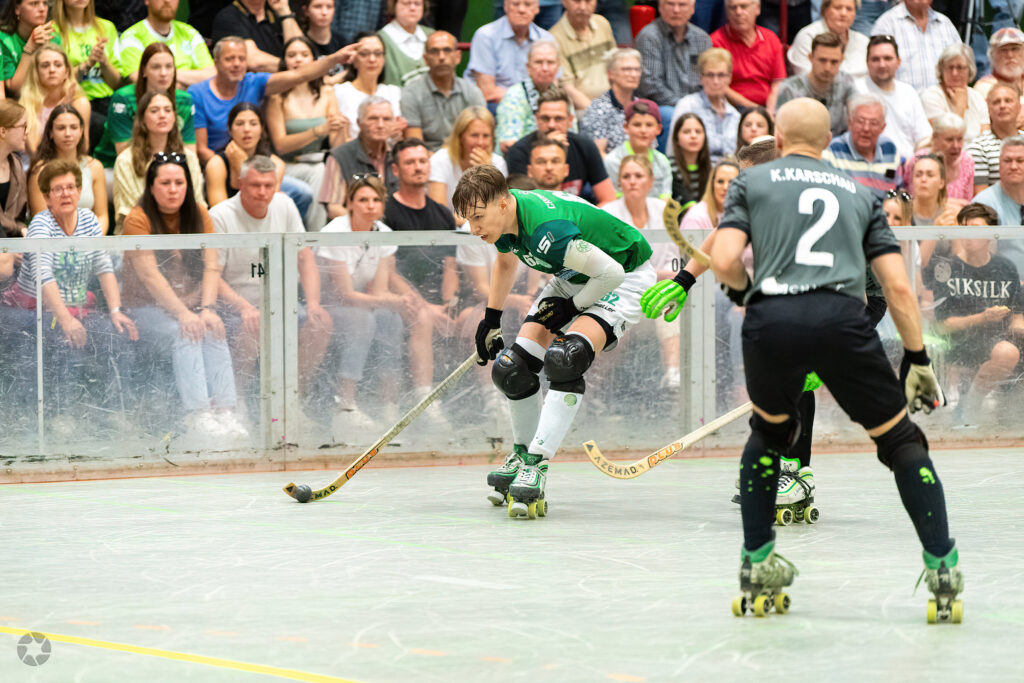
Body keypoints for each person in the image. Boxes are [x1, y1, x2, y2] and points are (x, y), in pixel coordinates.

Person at [705, 97, 959, 620]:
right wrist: (917, 358)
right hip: (843, 319)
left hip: (772, 320)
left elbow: (725, 259)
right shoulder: (862, 194)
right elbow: (898, 289)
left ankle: (757, 562)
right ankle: (942, 567)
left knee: (768, 434)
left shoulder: (752, 183)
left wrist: (747, 296)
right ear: (827, 142)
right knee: (900, 440)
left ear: (778, 139)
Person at [456, 163, 656, 518]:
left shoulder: (546, 230)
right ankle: (521, 454)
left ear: (503, 203)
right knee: (512, 369)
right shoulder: (504, 219)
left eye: (478, 218)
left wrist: (571, 308)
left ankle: (538, 463)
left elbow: (611, 273)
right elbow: (506, 264)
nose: (474, 229)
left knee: (566, 358)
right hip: (574, 275)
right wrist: (491, 320)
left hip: (623, 277)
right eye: (468, 220)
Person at [121, 153, 248, 439]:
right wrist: (183, 314)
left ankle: (226, 411)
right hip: (146, 308)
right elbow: (150, 276)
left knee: (214, 328)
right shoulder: (137, 219)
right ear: (151, 187)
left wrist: (208, 308)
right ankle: (198, 414)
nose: (173, 189)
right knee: (186, 332)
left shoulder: (200, 213)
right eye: (165, 183)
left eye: (179, 183)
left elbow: (212, 265)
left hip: (191, 303)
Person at [2, 159, 136, 427]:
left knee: (115, 335)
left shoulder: (88, 219)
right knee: (61, 338)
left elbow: (103, 266)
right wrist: (66, 320)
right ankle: (61, 414)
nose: (66, 194)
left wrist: (116, 311)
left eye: (71, 187)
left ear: (79, 191)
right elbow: (44, 276)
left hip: (77, 305)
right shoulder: (40, 225)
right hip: (34, 307)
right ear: (46, 197)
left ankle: (113, 411)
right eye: (58, 189)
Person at [319, 174, 449, 434]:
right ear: (350, 203)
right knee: (364, 319)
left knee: (390, 318)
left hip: (361, 302)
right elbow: (345, 294)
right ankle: (345, 406)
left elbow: (380, 289)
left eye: (376, 200)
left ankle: (388, 405)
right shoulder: (335, 232)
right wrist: (394, 302)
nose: (370, 205)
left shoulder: (383, 233)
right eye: (363, 200)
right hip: (329, 305)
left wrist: (403, 302)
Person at [210, 155, 332, 414]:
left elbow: (304, 257)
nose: (263, 192)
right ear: (240, 183)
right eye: (256, 185)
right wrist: (244, 307)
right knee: (252, 324)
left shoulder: (285, 205)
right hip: (233, 307)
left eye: (269, 185)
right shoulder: (220, 215)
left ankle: (293, 399)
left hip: (281, 304)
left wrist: (313, 303)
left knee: (320, 324)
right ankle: (236, 401)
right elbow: (212, 276)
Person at [924, 203, 1023, 424]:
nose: (968, 235)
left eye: (976, 228)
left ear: (991, 234)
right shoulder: (947, 268)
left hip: (999, 337)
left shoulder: (1005, 267)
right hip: (961, 341)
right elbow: (942, 325)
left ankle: (1003, 413)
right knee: (1006, 353)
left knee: (1008, 350)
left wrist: (1018, 331)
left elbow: (1018, 312)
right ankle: (970, 406)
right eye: (964, 228)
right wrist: (982, 317)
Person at [189, 36, 356, 165]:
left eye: (241, 59)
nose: (237, 64)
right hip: (216, 164)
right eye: (229, 59)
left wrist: (334, 59)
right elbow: (202, 150)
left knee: (297, 189)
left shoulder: (254, 82)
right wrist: (229, 166)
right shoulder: (198, 93)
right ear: (216, 62)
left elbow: (299, 75)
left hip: (254, 164)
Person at [602, 154, 684, 388]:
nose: (632, 181)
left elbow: (673, 262)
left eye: (638, 176)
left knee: (670, 302)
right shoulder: (607, 213)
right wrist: (658, 274)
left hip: (656, 294)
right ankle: (599, 388)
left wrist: (659, 277)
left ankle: (673, 376)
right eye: (626, 176)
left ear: (650, 181)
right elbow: (612, 266)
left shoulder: (665, 211)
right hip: (619, 294)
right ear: (619, 182)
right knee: (614, 317)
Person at [265, 36, 347, 231]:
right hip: (286, 165)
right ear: (284, 61)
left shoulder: (327, 92)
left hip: (317, 162)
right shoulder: (276, 97)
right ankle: (312, 237)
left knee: (324, 170)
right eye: (292, 55)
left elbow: (337, 146)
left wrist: (341, 128)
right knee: (320, 172)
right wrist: (317, 131)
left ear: (314, 61)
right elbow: (280, 145)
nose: (298, 60)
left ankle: (314, 236)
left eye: (304, 55)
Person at [384, 137, 459, 323]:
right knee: (423, 319)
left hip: (439, 301)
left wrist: (448, 306)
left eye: (422, 161)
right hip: (401, 302)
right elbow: (388, 272)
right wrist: (425, 308)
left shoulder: (443, 214)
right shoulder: (385, 212)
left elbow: (450, 266)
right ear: (395, 170)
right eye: (410, 162)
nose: (418, 167)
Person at [93, 42, 196, 169]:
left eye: (169, 66)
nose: (163, 73)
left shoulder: (185, 100)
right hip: (115, 165)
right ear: (143, 71)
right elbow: (125, 155)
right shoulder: (124, 98)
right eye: (156, 67)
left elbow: (189, 151)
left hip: (167, 166)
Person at [113, 91, 204, 231]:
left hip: (182, 231)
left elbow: (197, 203)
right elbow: (131, 212)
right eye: (154, 111)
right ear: (142, 118)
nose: (162, 115)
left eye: (167, 110)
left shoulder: (189, 157)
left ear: (174, 117)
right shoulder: (126, 160)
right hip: (139, 232)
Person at [504, 88, 615, 203]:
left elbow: (608, 198)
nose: (551, 125)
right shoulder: (518, 152)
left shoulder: (585, 146)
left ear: (570, 120)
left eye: (558, 118)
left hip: (577, 211)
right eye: (545, 118)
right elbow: (524, 204)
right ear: (537, 119)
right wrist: (549, 147)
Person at [400, 31, 486, 153]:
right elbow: (415, 147)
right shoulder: (411, 93)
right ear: (426, 59)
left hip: (465, 156)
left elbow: (480, 138)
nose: (441, 57)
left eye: (447, 50)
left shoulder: (472, 92)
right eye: (434, 51)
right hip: (427, 159)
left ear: (458, 56)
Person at [27, 104, 108, 233]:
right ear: (51, 132)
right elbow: (40, 218)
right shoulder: (40, 170)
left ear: (81, 131)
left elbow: (102, 215)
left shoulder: (95, 167)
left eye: (74, 127)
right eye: (61, 128)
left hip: (89, 238)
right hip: (53, 240)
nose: (68, 134)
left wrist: (91, 240)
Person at [853, 34, 932, 162]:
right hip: (868, 164)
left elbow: (924, 139)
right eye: (875, 59)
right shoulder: (856, 90)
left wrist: (916, 163)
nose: (882, 64)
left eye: (887, 58)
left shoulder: (908, 92)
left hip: (908, 166)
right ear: (867, 63)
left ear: (898, 62)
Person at [52, 0, 120, 147]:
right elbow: (54, 81)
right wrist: (87, 64)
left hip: (107, 100)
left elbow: (117, 83)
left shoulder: (107, 27)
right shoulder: (53, 31)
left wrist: (104, 62)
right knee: (99, 124)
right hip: (73, 100)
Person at [320, 96, 400, 219]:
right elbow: (333, 208)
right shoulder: (340, 156)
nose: (380, 125)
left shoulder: (399, 154)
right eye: (373, 118)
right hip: (354, 228)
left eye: (386, 119)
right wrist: (369, 224)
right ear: (359, 123)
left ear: (394, 123)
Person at [465, 0, 555, 105]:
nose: (521, 10)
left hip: (534, 104)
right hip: (494, 105)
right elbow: (487, 92)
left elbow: (553, 85)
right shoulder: (486, 36)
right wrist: (530, 99)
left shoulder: (546, 39)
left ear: (537, 8)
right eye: (515, 4)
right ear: (506, 7)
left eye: (528, 4)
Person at [428, 105, 508, 224]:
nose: (480, 142)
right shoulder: (440, 160)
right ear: (460, 137)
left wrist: (487, 174)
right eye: (474, 135)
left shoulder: (498, 163)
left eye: (486, 136)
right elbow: (440, 214)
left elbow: (499, 211)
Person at [635, 0, 711, 123]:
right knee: (671, 116)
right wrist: (685, 107)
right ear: (660, 7)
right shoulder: (649, 37)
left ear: (692, 8)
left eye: (682, 5)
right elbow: (651, 87)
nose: (676, 10)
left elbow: (703, 82)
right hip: (659, 108)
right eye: (670, 4)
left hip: (695, 107)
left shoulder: (701, 39)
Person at [113, 0, 216, 86]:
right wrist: (187, 82)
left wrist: (163, 75)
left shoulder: (189, 32)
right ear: (147, 1)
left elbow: (211, 75)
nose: (167, 1)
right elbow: (137, 78)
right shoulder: (132, 36)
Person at [496, 40, 573, 154]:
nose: (545, 68)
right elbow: (508, 145)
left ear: (558, 67)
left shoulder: (563, 97)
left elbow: (573, 137)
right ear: (528, 67)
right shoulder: (514, 96)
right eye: (539, 62)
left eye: (550, 62)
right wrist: (547, 143)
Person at [205, 102, 286, 206]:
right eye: (239, 124)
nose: (247, 129)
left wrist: (242, 167)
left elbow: (268, 207)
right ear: (230, 129)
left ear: (262, 128)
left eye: (253, 124)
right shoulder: (216, 164)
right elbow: (218, 210)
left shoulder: (276, 164)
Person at [775, 32, 855, 137]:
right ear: (810, 57)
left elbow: (857, 113)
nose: (827, 68)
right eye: (822, 60)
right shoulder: (790, 89)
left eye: (834, 62)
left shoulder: (846, 82)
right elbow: (780, 131)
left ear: (842, 60)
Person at [822, 93, 902, 198]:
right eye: (860, 121)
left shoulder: (890, 150)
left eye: (873, 123)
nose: (866, 128)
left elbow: (897, 191)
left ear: (882, 127)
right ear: (850, 123)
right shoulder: (833, 151)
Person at [870, 0, 960, 92]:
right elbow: (876, 73)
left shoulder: (945, 24)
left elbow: (961, 67)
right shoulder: (886, 25)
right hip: (901, 99)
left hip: (942, 99)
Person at [711, 0, 786, 111]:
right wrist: (756, 111)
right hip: (732, 108)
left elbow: (778, 82)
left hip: (770, 107)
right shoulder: (716, 42)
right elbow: (719, 85)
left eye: (744, 6)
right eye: (733, 8)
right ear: (726, 12)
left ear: (758, 8)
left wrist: (769, 112)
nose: (738, 12)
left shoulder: (771, 39)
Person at [670, 47, 740, 164]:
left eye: (721, 75)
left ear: (729, 78)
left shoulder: (735, 115)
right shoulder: (687, 105)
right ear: (701, 78)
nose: (716, 81)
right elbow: (673, 150)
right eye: (710, 75)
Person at [332, 32, 405, 141]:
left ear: (384, 59)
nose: (372, 59)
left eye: (378, 53)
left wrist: (398, 134)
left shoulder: (394, 92)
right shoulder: (339, 92)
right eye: (364, 54)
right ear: (353, 59)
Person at [20, 44, 91, 155]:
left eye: (58, 65)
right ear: (36, 72)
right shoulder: (27, 104)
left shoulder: (79, 103)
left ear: (67, 72)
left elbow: (83, 149)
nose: (52, 70)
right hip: (36, 162)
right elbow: (35, 151)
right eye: (45, 66)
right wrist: (59, 110)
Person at [548, 0, 615, 107]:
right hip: (582, 108)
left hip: (613, 101)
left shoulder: (602, 23)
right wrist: (596, 112)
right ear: (564, 2)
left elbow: (616, 65)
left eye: (588, 1)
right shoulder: (554, 38)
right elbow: (567, 88)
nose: (583, 7)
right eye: (577, 1)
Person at [920, 43, 987, 146]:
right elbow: (947, 137)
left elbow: (986, 137)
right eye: (950, 67)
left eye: (960, 67)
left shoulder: (976, 96)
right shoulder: (931, 96)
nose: (955, 73)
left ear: (969, 70)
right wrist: (959, 108)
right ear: (941, 70)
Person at [975, 137, 1024, 277]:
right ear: (999, 165)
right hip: (1002, 283)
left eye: (1020, 161)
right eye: (1007, 161)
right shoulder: (984, 203)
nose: (1013, 166)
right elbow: (981, 258)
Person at [578, 47, 640, 156]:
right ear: (611, 74)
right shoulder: (598, 109)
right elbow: (597, 154)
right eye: (627, 69)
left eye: (637, 69)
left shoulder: (641, 106)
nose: (633, 74)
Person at [604, 99, 671, 199]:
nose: (643, 130)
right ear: (626, 127)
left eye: (649, 125)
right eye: (637, 125)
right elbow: (612, 200)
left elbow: (665, 199)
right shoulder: (612, 161)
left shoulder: (662, 161)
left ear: (658, 129)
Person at [211, 0, 302, 72]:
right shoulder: (228, 17)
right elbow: (253, 61)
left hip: (287, 82)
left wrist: (284, 12)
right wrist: (294, 67)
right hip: (251, 86)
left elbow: (301, 49)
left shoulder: (276, 11)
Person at [903, 114, 975, 203]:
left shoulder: (967, 161)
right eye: (949, 140)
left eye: (959, 139)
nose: (956, 146)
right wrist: (948, 204)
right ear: (935, 138)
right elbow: (913, 200)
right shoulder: (919, 160)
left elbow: (966, 203)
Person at [787, 0, 867, 78]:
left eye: (849, 9)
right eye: (838, 8)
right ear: (825, 10)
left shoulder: (863, 41)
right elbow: (806, 78)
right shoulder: (807, 36)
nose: (843, 13)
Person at [968, 83, 1024, 194]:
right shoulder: (978, 147)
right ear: (988, 108)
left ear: (1019, 106)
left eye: (1008, 101)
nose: (1002, 106)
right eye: (996, 102)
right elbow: (981, 196)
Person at [0, 0, 61, 96]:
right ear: (17, 9)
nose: (42, 9)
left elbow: (60, 83)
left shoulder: (53, 38)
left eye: (45, 3)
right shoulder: (4, 39)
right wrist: (30, 48)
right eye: (34, 3)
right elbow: (15, 90)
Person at [377, 0, 433, 87]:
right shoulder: (380, 40)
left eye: (417, 4)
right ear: (394, 5)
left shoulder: (432, 36)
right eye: (406, 3)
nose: (412, 8)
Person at [974, 27, 1024, 112]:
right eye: (1003, 50)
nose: (1010, 55)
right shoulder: (984, 87)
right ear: (992, 55)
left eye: (1015, 49)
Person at [670, 112, 710, 212]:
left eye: (698, 131)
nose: (693, 136)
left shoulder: (711, 167)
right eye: (687, 132)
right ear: (676, 138)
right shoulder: (668, 166)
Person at [0, 100, 29, 238]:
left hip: (11, 243)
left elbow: (19, 219)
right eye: (24, 126)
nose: (27, 132)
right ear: (3, 131)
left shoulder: (17, 165)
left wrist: (22, 230)